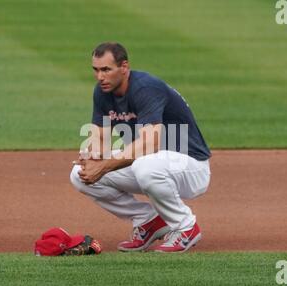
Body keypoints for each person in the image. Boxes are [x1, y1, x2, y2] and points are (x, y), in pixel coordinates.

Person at [70, 42, 211, 253]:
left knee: (145, 166)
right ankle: (148, 221)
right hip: (151, 163)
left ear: (124, 67)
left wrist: (105, 166)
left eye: (106, 69)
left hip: (190, 165)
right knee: (79, 175)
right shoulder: (102, 93)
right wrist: (91, 159)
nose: (100, 77)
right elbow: (99, 138)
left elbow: (150, 144)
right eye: (96, 70)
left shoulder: (146, 88)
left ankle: (186, 227)